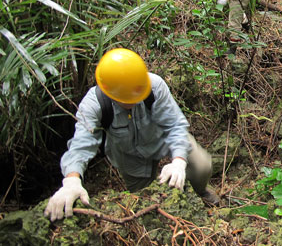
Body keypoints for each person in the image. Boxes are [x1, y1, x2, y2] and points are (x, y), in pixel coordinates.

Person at [44, 48, 219, 222]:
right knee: (143, 199)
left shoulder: (154, 85)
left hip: (161, 139)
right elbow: (80, 145)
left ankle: (200, 192)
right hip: (128, 155)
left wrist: (179, 161)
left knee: (201, 165)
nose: (135, 100)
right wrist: (72, 180)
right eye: (128, 99)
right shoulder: (93, 105)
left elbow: (174, 125)